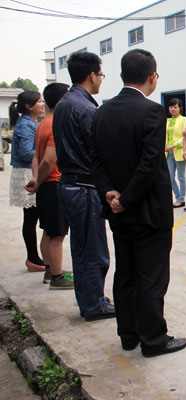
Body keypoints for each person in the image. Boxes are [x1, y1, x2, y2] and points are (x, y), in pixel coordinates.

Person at [91, 49, 186, 357]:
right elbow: (149, 165)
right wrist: (127, 199)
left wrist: (109, 193)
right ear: (152, 77)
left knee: (126, 272)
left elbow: (95, 160)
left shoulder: (102, 112)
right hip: (148, 211)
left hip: (118, 210)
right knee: (151, 277)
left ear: (121, 76)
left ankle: (129, 334)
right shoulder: (152, 112)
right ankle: (153, 340)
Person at [53, 51, 114, 321]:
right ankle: (94, 305)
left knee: (80, 248)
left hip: (69, 184)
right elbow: (99, 149)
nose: (101, 79)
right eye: (100, 75)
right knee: (94, 250)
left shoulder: (64, 104)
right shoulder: (85, 108)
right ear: (91, 75)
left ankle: (88, 300)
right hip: (84, 186)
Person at [24, 83, 73, 289]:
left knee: (48, 231)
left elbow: (37, 156)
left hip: (46, 185)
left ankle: (50, 269)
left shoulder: (42, 123)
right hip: (53, 184)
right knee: (57, 235)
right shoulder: (55, 124)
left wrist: (37, 179)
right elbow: (49, 160)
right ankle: (57, 277)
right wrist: (39, 181)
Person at [8, 91, 46, 272]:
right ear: (29, 106)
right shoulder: (25, 125)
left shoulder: (31, 123)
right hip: (27, 172)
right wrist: (47, 154)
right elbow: (25, 152)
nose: (42, 104)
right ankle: (33, 258)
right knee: (31, 219)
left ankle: (34, 257)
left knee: (31, 218)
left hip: (30, 171)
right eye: (38, 101)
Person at [164, 98, 186, 208]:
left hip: (179, 151)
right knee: (170, 178)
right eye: (171, 107)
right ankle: (177, 197)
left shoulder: (184, 120)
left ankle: (181, 200)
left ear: (180, 108)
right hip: (168, 154)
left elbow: (185, 137)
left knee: (181, 177)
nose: (173, 109)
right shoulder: (167, 121)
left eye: (175, 107)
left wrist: (173, 146)